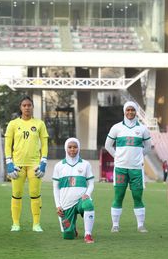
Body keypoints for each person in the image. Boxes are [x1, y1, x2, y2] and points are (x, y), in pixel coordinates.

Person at [105, 101, 152, 233]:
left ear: (136, 112)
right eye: (128, 110)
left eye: (132, 110)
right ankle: (115, 225)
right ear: (124, 111)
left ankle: (140, 225)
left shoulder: (143, 129)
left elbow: (148, 147)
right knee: (118, 196)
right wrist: (117, 157)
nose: (130, 112)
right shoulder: (116, 128)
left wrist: (138, 157)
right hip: (120, 168)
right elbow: (108, 145)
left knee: (137, 197)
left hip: (136, 169)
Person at [5, 96, 49, 232]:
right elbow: (7, 145)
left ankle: (36, 224)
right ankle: (16, 223)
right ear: (20, 107)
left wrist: (44, 161)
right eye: (24, 105)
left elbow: (45, 144)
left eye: (29, 105)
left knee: (35, 193)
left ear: (32, 107)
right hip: (17, 164)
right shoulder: (13, 124)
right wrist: (9, 162)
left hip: (34, 164)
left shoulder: (40, 124)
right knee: (16, 193)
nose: (27, 107)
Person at [52, 138, 95, 243]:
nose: (72, 149)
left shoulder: (85, 164)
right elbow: (55, 188)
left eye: (75, 147)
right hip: (66, 203)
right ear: (65, 148)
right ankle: (72, 227)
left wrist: (88, 194)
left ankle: (88, 234)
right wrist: (58, 205)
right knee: (68, 236)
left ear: (79, 148)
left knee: (88, 204)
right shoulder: (59, 166)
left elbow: (91, 183)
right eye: (70, 147)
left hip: (81, 200)